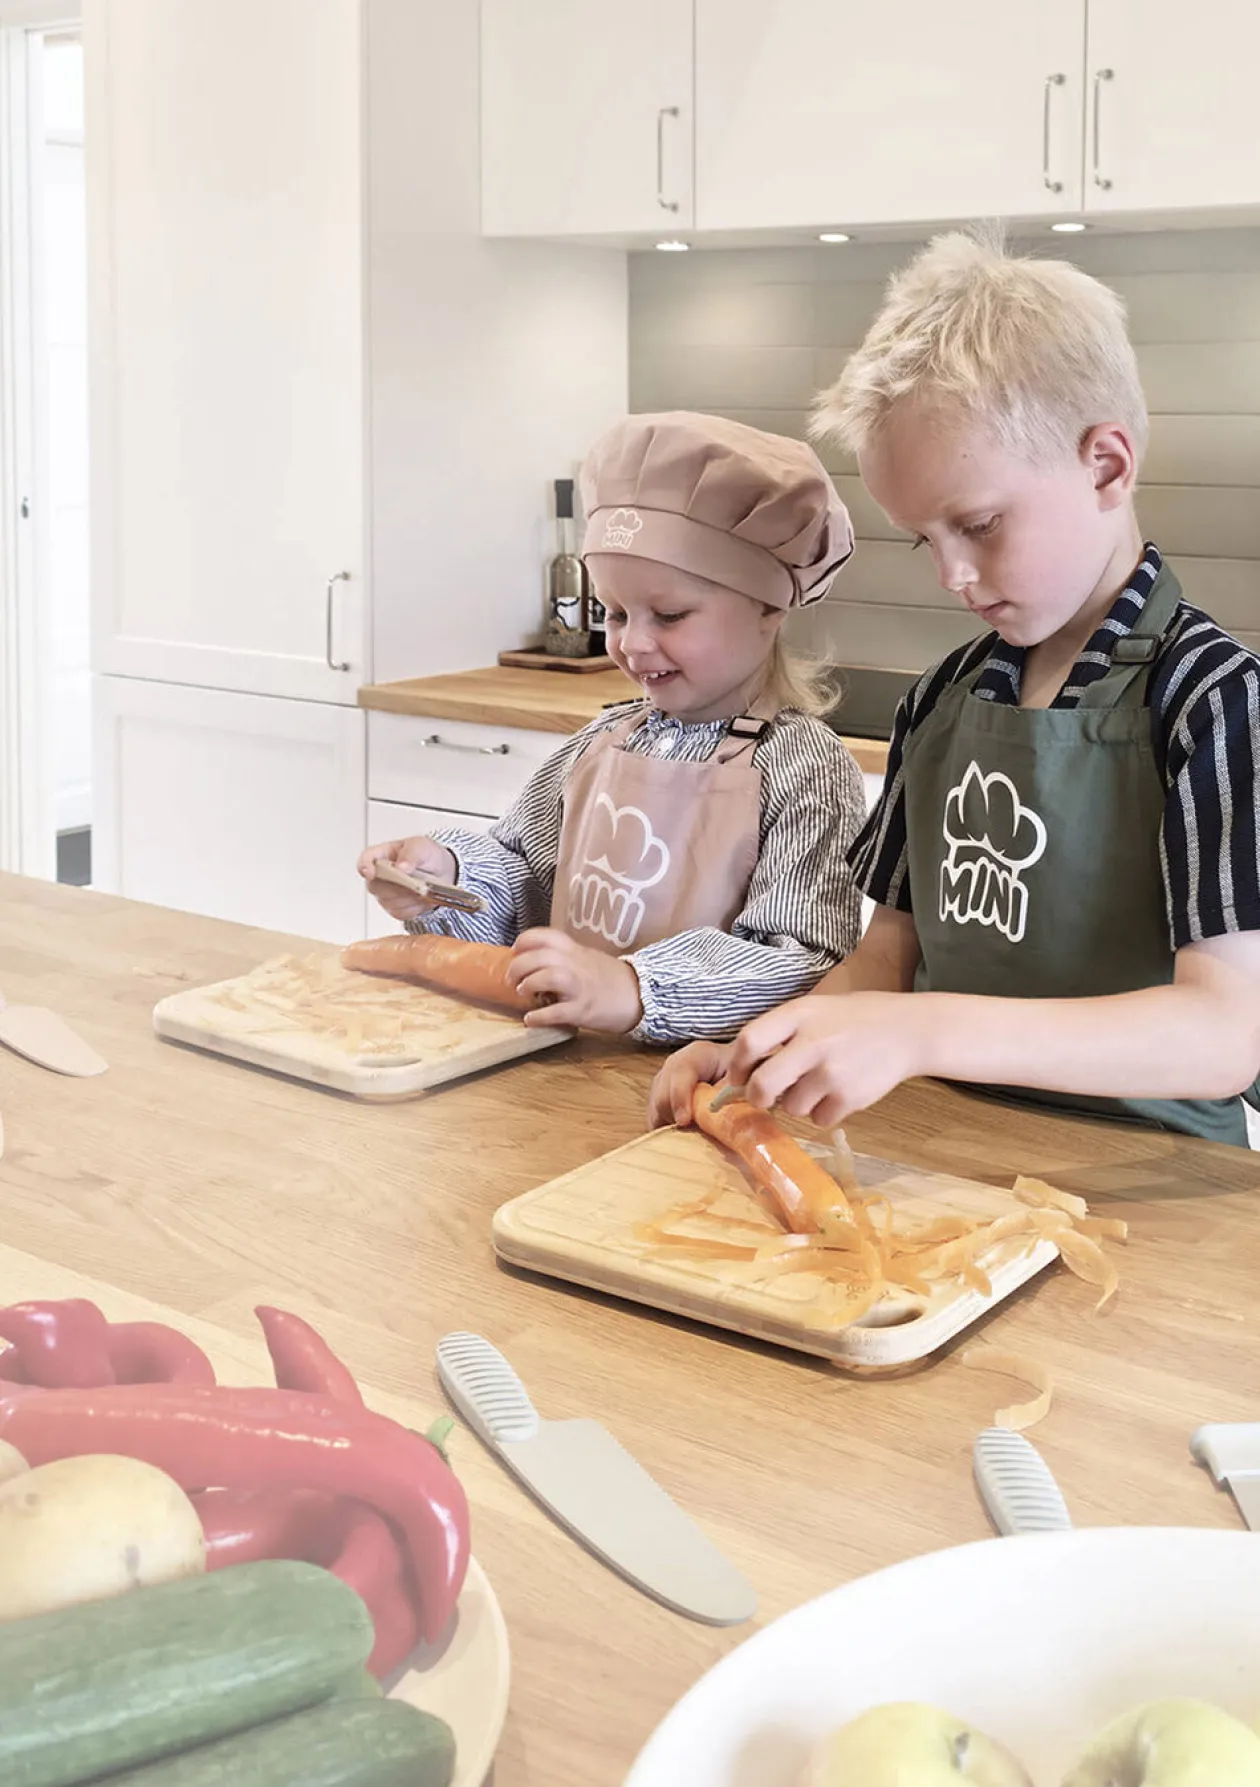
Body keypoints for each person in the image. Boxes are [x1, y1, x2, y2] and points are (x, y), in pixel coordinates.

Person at [650, 233, 1260, 1145]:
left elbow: (1223, 1034)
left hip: (1149, 1181)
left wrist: (923, 1030)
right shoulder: (940, 701)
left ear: (1106, 465)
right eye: (925, 539)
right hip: (940, 1152)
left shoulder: (1215, 702)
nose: (952, 575)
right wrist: (758, 1053)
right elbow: (886, 961)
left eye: (978, 525)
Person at [358, 410, 868, 1044]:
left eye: (670, 615)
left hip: (707, 1082)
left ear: (769, 608)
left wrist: (632, 987)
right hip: (562, 1066)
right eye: (616, 612)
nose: (632, 643)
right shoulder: (602, 742)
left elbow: (801, 961)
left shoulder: (806, 769)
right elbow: (523, 887)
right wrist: (447, 879)